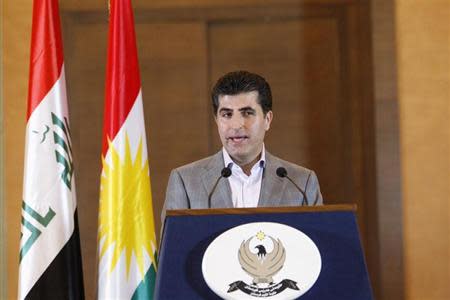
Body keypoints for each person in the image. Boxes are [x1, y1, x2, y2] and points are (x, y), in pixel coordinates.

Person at [162, 71, 322, 221]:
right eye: (227, 114)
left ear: (267, 119)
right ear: (217, 120)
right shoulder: (186, 181)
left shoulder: (301, 183)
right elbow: (175, 249)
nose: (237, 125)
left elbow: (316, 247)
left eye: (247, 113)